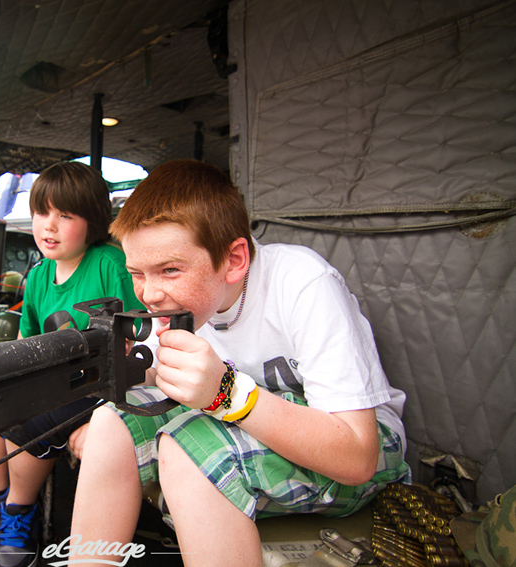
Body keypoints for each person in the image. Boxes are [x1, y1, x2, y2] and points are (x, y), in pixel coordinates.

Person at [69, 160, 411, 566]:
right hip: (259, 431)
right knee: (112, 424)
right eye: (136, 273)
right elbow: (163, 381)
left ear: (234, 260)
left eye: (170, 270)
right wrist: (124, 369)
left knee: (188, 449)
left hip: (365, 452)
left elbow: (357, 457)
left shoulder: (302, 283)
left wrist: (226, 394)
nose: (151, 294)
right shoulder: (184, 305)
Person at [0, 161, 143, 567]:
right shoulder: (39, 276)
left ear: (93, 220)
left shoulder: (111, 265)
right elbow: (27, 341)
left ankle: (19, 509)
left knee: (28, 419)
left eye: (65, 215)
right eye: (42, 212)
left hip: (101, 386)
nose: (49, 226)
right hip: (57, 379)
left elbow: (138, 339)